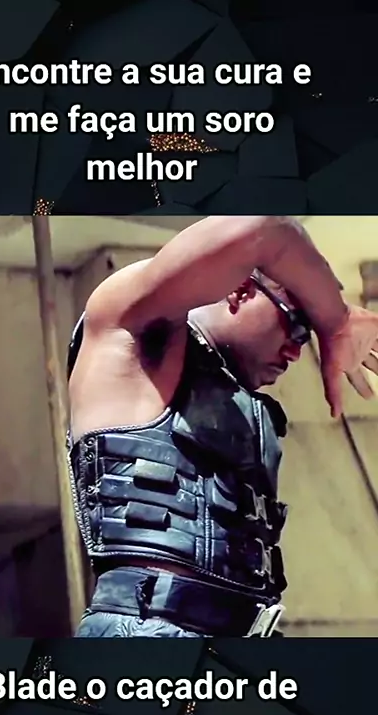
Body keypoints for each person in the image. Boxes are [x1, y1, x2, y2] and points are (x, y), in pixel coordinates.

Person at [67, 216, 378, 638]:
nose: (296, 350)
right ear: (240, 290)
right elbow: (266, 228)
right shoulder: (134, 328)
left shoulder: (231, 390)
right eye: (298, 325)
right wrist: (335, 320)